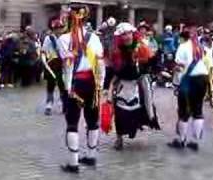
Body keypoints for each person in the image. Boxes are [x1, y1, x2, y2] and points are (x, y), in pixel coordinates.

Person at [57, 5, 105, 173]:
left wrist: (68, 88)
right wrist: (100, 85)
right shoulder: (95, 39)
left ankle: (73, 163)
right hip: (93, 84)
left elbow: (66, 65)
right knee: (93, 121)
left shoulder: (63, 39)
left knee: (72, 123)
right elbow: (100, 64)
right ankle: (91, 157)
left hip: (75, 84)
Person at [108, 22, 160, 150]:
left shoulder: (141, 47)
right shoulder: (116, 51)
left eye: (129, 33)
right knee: (120, 113)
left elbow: (151, 62)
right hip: (122, 85)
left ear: (133, 34)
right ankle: (119, 137)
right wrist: (109, 90)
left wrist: (154, 70)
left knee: (141, 109)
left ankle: (136, 127)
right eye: (124, 34)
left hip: (138, 84)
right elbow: (114, 72)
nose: (127, 36)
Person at [168, 24, 209, 151]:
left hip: (189, 80)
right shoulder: (200, 47)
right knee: (197, 109)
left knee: (183, 110)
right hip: (203, 78)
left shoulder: (183, 47)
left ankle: (182, 141)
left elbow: (179, 66)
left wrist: (175, 81)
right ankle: (195, 141)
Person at [41, 15, 67, 116]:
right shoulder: (48, 38)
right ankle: (49, 105)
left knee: (62, 85)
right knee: (50, 85)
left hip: (62, 63)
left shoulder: (65, 38)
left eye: (60, 28)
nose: (58, 30)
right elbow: (44, 50)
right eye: (56, 28)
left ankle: (64, 104)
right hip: (52, 63)